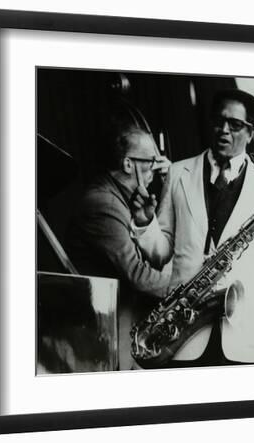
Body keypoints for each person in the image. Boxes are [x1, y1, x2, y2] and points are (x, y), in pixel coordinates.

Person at [131, 89, 254, 367]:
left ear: (251, 132)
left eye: (235, 125)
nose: (224, 130)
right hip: (182, 332)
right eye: (219, 122)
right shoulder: (178, 173)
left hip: (241, 333)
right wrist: (145, 222)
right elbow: (161, 254)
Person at [65, 127, 171, 370]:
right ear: (128, 164)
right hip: (103, 334)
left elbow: (154, 259)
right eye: (151, 161)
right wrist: (184, 286)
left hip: (120, 325)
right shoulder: (104, 204)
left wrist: (146, 221)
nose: (157, 167)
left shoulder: (121, 197)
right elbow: (139, 276)